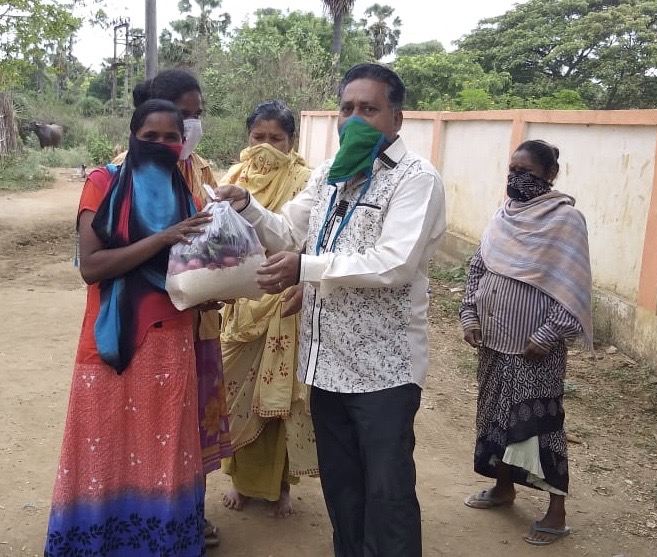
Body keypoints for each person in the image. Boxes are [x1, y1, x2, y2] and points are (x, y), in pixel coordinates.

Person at [216, 63, 447, 557]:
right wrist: (248, 209)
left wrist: (306, 268)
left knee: (387, 493)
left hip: (383, 371)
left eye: (370, 108)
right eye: (348, 108)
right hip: (325, 366)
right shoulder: (330, 173)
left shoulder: (416, 179)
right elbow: (287, 231)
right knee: (342, 490)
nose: (355, 118)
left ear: (396, 118)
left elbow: (394, 263)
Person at [44, 99, 212, 556]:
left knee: (163, 446)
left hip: (171, 339)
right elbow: (93, 266)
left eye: (170, 138)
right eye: (150, 137)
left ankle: (161, 542)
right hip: (110, 340)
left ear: (182, 144)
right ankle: (96, 540)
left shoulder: (187, 194)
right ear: (132, 137)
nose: (160, 145)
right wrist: (161, 238)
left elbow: (189, 273)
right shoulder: (103, 183)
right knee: (102, 442)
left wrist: (219, 280)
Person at [114, 68, 231, 547]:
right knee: (152, 422)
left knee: (192, 424)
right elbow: (105, 256)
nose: (190, 127)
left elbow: (215, 235)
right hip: (151, 323)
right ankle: (144, 516)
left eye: (194, 117)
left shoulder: (200, 168)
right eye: (185, 114)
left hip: (199, 319)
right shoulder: (126, 169)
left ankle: (187, 513)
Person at [459, 139, 593, 546]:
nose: (517, 181)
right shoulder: (504, 214)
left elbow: (574, 284)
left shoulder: (566, 220)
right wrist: (469, 313)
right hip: (493, 341)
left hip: (534, 347)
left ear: (550, 176)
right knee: (495, 416)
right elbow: (478, 265)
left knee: (538, 425)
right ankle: (503, 488)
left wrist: (548, 333)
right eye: (512, 172)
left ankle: (556, 512)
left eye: (527, 174)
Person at [218, 100, 318, 517]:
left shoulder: (308, 180)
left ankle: (281, 486)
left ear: (291, 141)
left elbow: (312, 242)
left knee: (277, 401)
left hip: (284, 304)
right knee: (232, 394)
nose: (265, 146)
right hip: (240, 303)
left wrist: (307, 285)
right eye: (258, 137)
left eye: (275, 138)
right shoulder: (232, 179)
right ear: (247, 137)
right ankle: (241, 482)